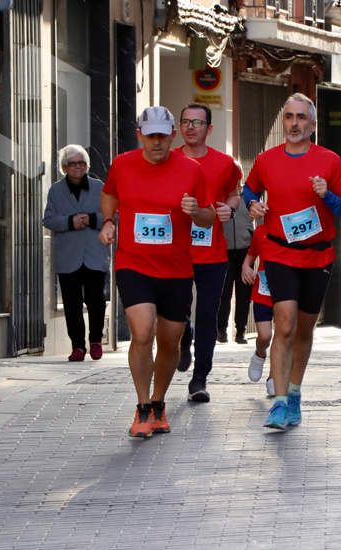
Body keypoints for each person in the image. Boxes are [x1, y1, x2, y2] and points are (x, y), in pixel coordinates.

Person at [99, 105, 214, 438]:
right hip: (133, 263)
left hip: (176, 269)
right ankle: (142, 407)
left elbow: (209, 217)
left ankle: (159, 401)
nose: (157, 143)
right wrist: (109, 221)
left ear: (172, 136)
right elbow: (109, 194)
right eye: (150, 137)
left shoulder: (191, 170)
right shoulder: (122, 165)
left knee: (169, 342)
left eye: (163, 136)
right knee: (142, 332)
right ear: (140, 136)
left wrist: (197, 212)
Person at [243, 93, 341, 430]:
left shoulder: (330, 161)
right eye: (289, 117)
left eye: (301, 118)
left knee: (304, 329)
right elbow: (249, 191)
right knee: (286, 323)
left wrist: (328, 195)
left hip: (318, 255)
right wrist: (254, 205)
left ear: (313, 124)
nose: (294, 123)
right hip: (279, 252)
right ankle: (278, 402)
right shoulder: (267, 160)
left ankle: (294, 393)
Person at [172, 103, 242, 403]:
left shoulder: (225, 163)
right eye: (185, 121)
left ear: (209, 129)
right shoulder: (169, 159)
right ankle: (183, 338)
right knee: (177, 312)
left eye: (197, 122)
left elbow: (234, 194)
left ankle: (200, 378)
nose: (191, 127)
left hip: (212, 252)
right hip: (175, 251)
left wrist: (229, 207)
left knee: (208, 315)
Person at [43, 145, 110, 361]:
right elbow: (49, 220)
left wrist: (92, 219)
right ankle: (78, 346)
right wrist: (70, 222)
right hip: (68, 256)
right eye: (73, 164)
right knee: (72, 303)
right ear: (64, 168)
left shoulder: (100, 187)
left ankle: (96, 341)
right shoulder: (55, 190)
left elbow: (113, 216)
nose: (78, 167)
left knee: (96, 301)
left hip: (94, 254)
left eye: (82, 163)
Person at [242, 224, 275, 397]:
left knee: (283, 335)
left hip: (287, 290)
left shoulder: (291, 225)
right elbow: (251, 255)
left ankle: (274, 378)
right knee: (265, 335)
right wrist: (246, 267)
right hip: (263, 290)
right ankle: (259, 354)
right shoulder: (261, 231)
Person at [218, 200, 254, 344]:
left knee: (244, 293)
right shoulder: (222, 197)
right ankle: (221, 330)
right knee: (223, 291)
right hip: (224, 251)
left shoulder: (249, 199)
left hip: (245, 251)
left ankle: (241, 331)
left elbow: (261, 217)